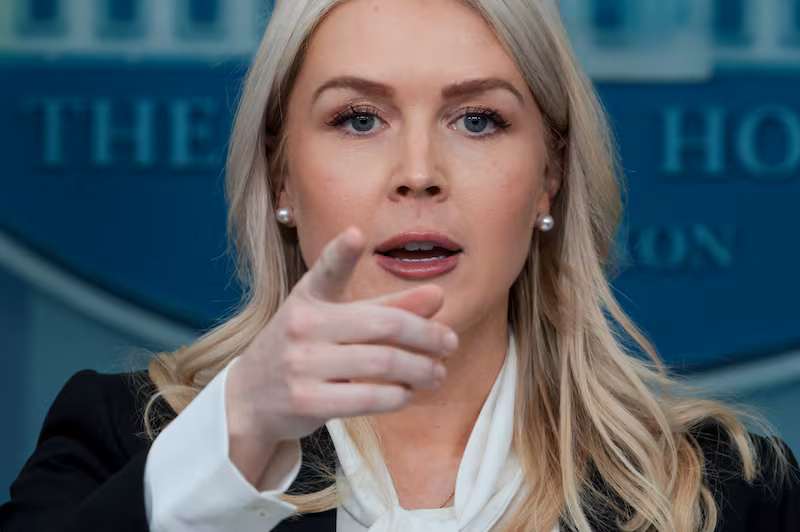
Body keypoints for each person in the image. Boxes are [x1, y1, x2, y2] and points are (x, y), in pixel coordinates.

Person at [1, 0, 798, 530]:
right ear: (281, 176)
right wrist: (237, 438)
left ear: (549, 176)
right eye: (358, 119)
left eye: (478, 119)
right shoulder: (119, 442)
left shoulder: (728, 492)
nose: (418, 172)